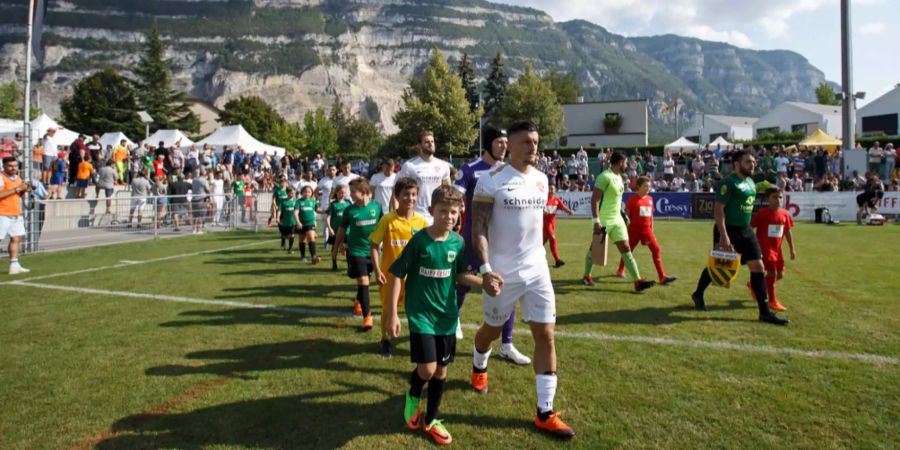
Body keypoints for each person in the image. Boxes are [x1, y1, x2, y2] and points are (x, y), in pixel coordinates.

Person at [468, 121, 576, 439]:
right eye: (527, 142)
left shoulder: (542, 180)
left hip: (537, 268)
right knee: (491, 330)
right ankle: (478, 364)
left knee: (546, 334)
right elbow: (478, 228)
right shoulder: (490, 180)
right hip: (501, 272)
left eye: (537, 141)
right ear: (510, 145)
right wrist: (486, 270)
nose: (534, 147)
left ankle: (545, 412)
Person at [386, 185, 488, 445]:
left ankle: (431, 420)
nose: (449, 217)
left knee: (441, 371)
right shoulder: (420, 241)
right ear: (431, 211)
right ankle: (412, 394)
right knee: (428, 369)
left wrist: (483, 282)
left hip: (447, 316)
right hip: (421, 315)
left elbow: (461, 274)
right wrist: (392, 315)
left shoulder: (458, 242)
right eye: (443, 211)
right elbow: (397, 273)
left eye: (454, 212)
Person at [454, 127, 529, 364]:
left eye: (506, 142)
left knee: (507, 288)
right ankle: (451, 322)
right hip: (473, 237)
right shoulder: (469, 170)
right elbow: (455, 200)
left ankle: (507, 344)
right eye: (499, 141)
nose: (504, 146)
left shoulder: (510, 171)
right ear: (488, 144)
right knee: (462, 282)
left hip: (501, 242)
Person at [690, 150, 790, 326]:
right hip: (728, 230)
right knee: (719, 267)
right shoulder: (728, 183)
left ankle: (765, 313)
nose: (752, 165)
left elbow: (773, 187)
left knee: (758, 267)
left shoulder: (751, 182)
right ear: (736, 164)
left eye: (753, 162)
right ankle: (698, 294)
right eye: (748, 162)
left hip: (746, 230)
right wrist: (723, 235)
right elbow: (719, 210)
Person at [370, 177, 428, 357]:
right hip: (390, 276)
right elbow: (373, 244)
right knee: (388, 310)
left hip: (414, 278)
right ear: (396, 196)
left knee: (415, 311)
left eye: (413, 195)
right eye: (405, 194)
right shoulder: (388, 220)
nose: (409, 198)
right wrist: (377, 271)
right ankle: (385, 340)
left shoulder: (422, 222)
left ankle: (417, 341)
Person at [583, 152, 657, 292]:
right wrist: (596, 221)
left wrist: (622, 214)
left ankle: (638, 281)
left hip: (618, 220)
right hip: (604, 220)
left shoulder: (619, 177)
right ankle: (587, 276)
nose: (627, 165)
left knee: (626, 248)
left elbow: (615, 200)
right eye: (626, 162)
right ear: (620, 162)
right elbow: (595, 200)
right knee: (595, 249)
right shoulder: (605, 176)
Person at [333, 178, 383, 330]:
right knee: (363, 281)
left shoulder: (377, 207)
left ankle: (358, 301)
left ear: (364, 192)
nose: (351, 195)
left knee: (365, 280)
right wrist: (336, 247)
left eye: (353, 191)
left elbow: (384, 226)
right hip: (355, 251)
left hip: (373, 251)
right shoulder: (350, 210)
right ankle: (367, 317)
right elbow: (341, 230)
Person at [614, 176, 678, 285]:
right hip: (633, 230)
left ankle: (662, 277)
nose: (648, 188)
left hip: (647, 231)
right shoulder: (633, 199)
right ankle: (620, 270)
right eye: (645, 186)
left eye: (649, 186)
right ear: (638, 187)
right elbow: (626, 215)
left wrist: (652, 230)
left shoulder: (650, 199)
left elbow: (651, 216)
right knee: (628, 251)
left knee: (656, 250)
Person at [750, 188, 795, 312]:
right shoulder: (762, 213)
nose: (778, 200)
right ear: (767, 199)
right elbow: (750, 227)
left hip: (778, 250)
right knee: (772, 274)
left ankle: (755, 286)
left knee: (780, 275)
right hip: (765, 249)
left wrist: (792, 249)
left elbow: (787, 231)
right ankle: (772, 301)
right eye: (774, 197)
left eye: (780, 197)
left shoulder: (785, 214)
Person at [397, 131, 451, 224]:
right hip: (415, 215)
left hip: (437, 215)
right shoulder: (410, 166)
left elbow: (449, 191)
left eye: (432, 141)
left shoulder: (443, 166)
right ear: (419, 146)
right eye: (427, 142)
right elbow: (399, 191)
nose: (431, 144)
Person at [0, 157, 31, 274]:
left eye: (15, 166)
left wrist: (24, 189)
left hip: (15, 212)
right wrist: (18, 189)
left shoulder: (17, 177)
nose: (13, 168)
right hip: (2, 213)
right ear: (4, 166)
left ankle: (14, 264)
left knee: (16, 238)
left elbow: (18, 192)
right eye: (10, 166)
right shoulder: (1, 177)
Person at [543, 184, 573, 268]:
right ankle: (557, 260)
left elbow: (562, 207)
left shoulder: (556, 200)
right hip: (545, 224)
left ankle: (531, 257)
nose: (550, 191)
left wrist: (569, 211)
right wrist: (543, 213)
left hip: (552, 224)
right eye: (549, 189)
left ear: (555, 191)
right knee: (553, 239)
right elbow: (538, 209)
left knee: (541, 243)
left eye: (552, 189)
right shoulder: (543, 200)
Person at [324, 184, 351, 271]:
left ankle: (349, 266)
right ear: (336, 193)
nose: (342, 194)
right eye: (340, 193)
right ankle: (334, 263)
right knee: (335, 247)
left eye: (344, 193)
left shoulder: (348, 203)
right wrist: (330, 228)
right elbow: (328, 218)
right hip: (336, 231)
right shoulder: (333, 204)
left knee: (347, 248)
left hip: (347, 231)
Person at [296, 185, 320, 263]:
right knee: (302, 240)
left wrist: (327, 210)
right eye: (305, 192)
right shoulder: (299, 201)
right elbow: (295, 212)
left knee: (311, 238)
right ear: (302, 193)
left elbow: (317, 210)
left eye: (309, 192)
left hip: (310, 223)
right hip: (302, 224)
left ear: (311, 193)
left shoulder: (313, 201)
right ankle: (303, 256)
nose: (307, 193)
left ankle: (313, 256)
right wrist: (298, 222)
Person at [317, 165, 338, 247]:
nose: (331, 171)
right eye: (330, 170)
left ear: (336, 170)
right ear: (327, 171)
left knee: (337, 223)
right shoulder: (323, 180)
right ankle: (326, 242)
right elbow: (316, 191)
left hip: (337, 204)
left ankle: (337, 241)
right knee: (326, 224)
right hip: (325, 205)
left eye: (333, 169)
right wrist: (319, 200)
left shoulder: (339, 179)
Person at [277, 187, 299, 254]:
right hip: (285, 222)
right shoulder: (283, 201)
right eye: (291, 193)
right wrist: (277, 217)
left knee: (292, 235)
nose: (292, 194)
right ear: (287, 193)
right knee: (284, 235)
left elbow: (298, 211)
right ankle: (283, 241)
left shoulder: (296, 201)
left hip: (293, 222)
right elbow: (279, 210)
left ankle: (290, 248)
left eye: (293, 193)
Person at [191, 169, 210, 235]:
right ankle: (199, 229)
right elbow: (208, 190)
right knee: (201, 215)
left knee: (195, 215)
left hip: (194, 199)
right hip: (201, 198)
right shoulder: (204, 180)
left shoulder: (194, 179)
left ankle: (194, 229)